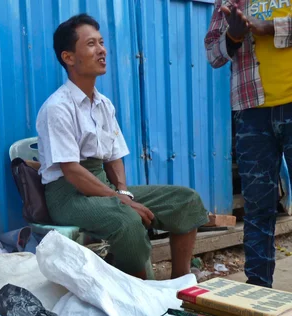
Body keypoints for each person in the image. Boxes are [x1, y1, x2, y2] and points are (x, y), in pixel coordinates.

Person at [37, 14, 209, 280]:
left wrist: (123, 192)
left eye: (102, 42)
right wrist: (118, 200)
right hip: (68, 195)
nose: (102, 50)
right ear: (69, 57)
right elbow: (71, 171)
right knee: (126, 221)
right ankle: (143, 291)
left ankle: (180, 283)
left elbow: (115, 155)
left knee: (185, 200)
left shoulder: (104, 104)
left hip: (101, 186)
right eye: (91, 44)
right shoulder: (57, 107)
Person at [205, 0, 292, 288]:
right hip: (251, 110)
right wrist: (233, 36)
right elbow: (212, 54)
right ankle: (259, 297)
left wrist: (272, 27)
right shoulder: (230, 3)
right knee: (257, 209)